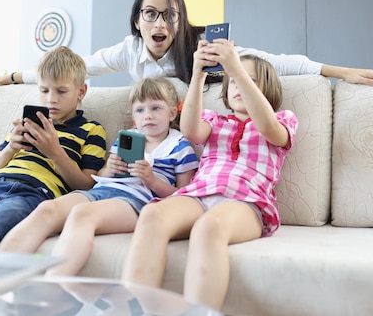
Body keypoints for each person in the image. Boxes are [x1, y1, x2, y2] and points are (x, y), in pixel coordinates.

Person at [120, 38, 299, 311]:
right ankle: (134, 310)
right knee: (152, 215)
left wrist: (235, 67)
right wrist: (198, 73)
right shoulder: (216, 121)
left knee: (209, 227)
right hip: (199, 193)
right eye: (235, 81)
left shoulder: (282, 119)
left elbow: (268, 127)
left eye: (249, 80)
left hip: (246, 203)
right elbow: (191, 130)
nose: (239, 85)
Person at [0, 0, 373, 89]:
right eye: (150, 14)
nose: (160, 24)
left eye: (169, 16)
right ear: (137, 20)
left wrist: (341, 72)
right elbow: (76, 69)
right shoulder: (130, 51)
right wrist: (5, 77)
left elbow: (274, 61)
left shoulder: (202, 45)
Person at [0, 77, 198, 277]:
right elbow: (99, 177)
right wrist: (109, 168)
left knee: (83, 214)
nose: (147, 116)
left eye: (156, 108)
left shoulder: (180, 146)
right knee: (47, 208)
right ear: (134, 116)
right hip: (102, 190)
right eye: (140, 110)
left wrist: (151, 179)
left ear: (172, 112)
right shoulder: (127, 137)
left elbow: (182, 196)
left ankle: (52, 290)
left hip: (135, 201)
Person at [0, 46, 107, 249]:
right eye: (44, 90)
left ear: (81, 91)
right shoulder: (26, 126)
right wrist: (10, 148)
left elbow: (86, 186)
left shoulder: (91, 130)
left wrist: (55, 152)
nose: (51, 99)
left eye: (61, 91)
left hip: (35, 194)